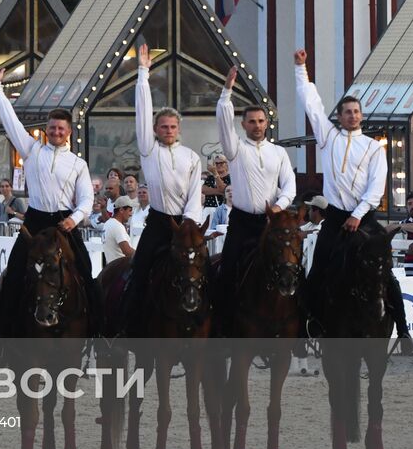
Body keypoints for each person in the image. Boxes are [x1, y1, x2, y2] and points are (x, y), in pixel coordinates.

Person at [295, 49, 410, 346]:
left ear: (361, 115)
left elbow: (376, 188)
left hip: (364, 217)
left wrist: (358, 215)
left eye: (357, 112)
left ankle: (404, 328)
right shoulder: (328, 137)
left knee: (385, 271)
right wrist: (301, 68)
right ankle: (309, 324)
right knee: (317, 268)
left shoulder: (373, 148)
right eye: (347, 112)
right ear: (340, 116)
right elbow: (312, 105)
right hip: (334, 217)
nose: (353, 116)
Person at [0, 58, 98, 336]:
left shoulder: (77, 163)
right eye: (52, 128)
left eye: (61, 129)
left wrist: (74, 219)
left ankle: (98, 334)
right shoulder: (32, 150)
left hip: (64, 223)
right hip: (35, 221)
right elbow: (10, 123)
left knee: (86, 274)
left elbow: (86, 199)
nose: (56, 132)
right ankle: (1, 334)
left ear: (69, 132)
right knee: (13, 275)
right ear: (45, 129)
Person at [121, 44, 204, 337]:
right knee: (138, 272)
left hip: (187, 224)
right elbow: (141, 115)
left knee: (203, 274)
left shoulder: (192, 157)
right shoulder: (149, 151)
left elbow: (196, 193)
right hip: (158, 221)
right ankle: (128, 328)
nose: (168, 130)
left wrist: (190, 221)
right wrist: (143, 73)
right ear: (156, 130)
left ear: (178, 129)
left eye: (172, 127)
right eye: (163, 126)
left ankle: (210, 328)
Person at [213, 62, 299, 335]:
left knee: (294, 268)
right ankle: (223, 326)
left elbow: (290, 187)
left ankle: (300, 324)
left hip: (272, 223)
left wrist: (278, 207)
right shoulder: (236, 149)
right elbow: (224, 126)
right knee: (226, 271)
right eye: (252, 121)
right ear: (244, 124)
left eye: (261, 121)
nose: (257, 125)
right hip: (242, 221)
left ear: (267, 123)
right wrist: (226, 92)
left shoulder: (278, 152)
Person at [102, 196, 136, 265]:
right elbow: (127, 251)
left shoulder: (107, 224)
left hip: (111, 268)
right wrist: (143, 255)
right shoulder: (117, 226)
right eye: (129, 210)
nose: (131, 214)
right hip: (121, 270)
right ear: (121, 210)